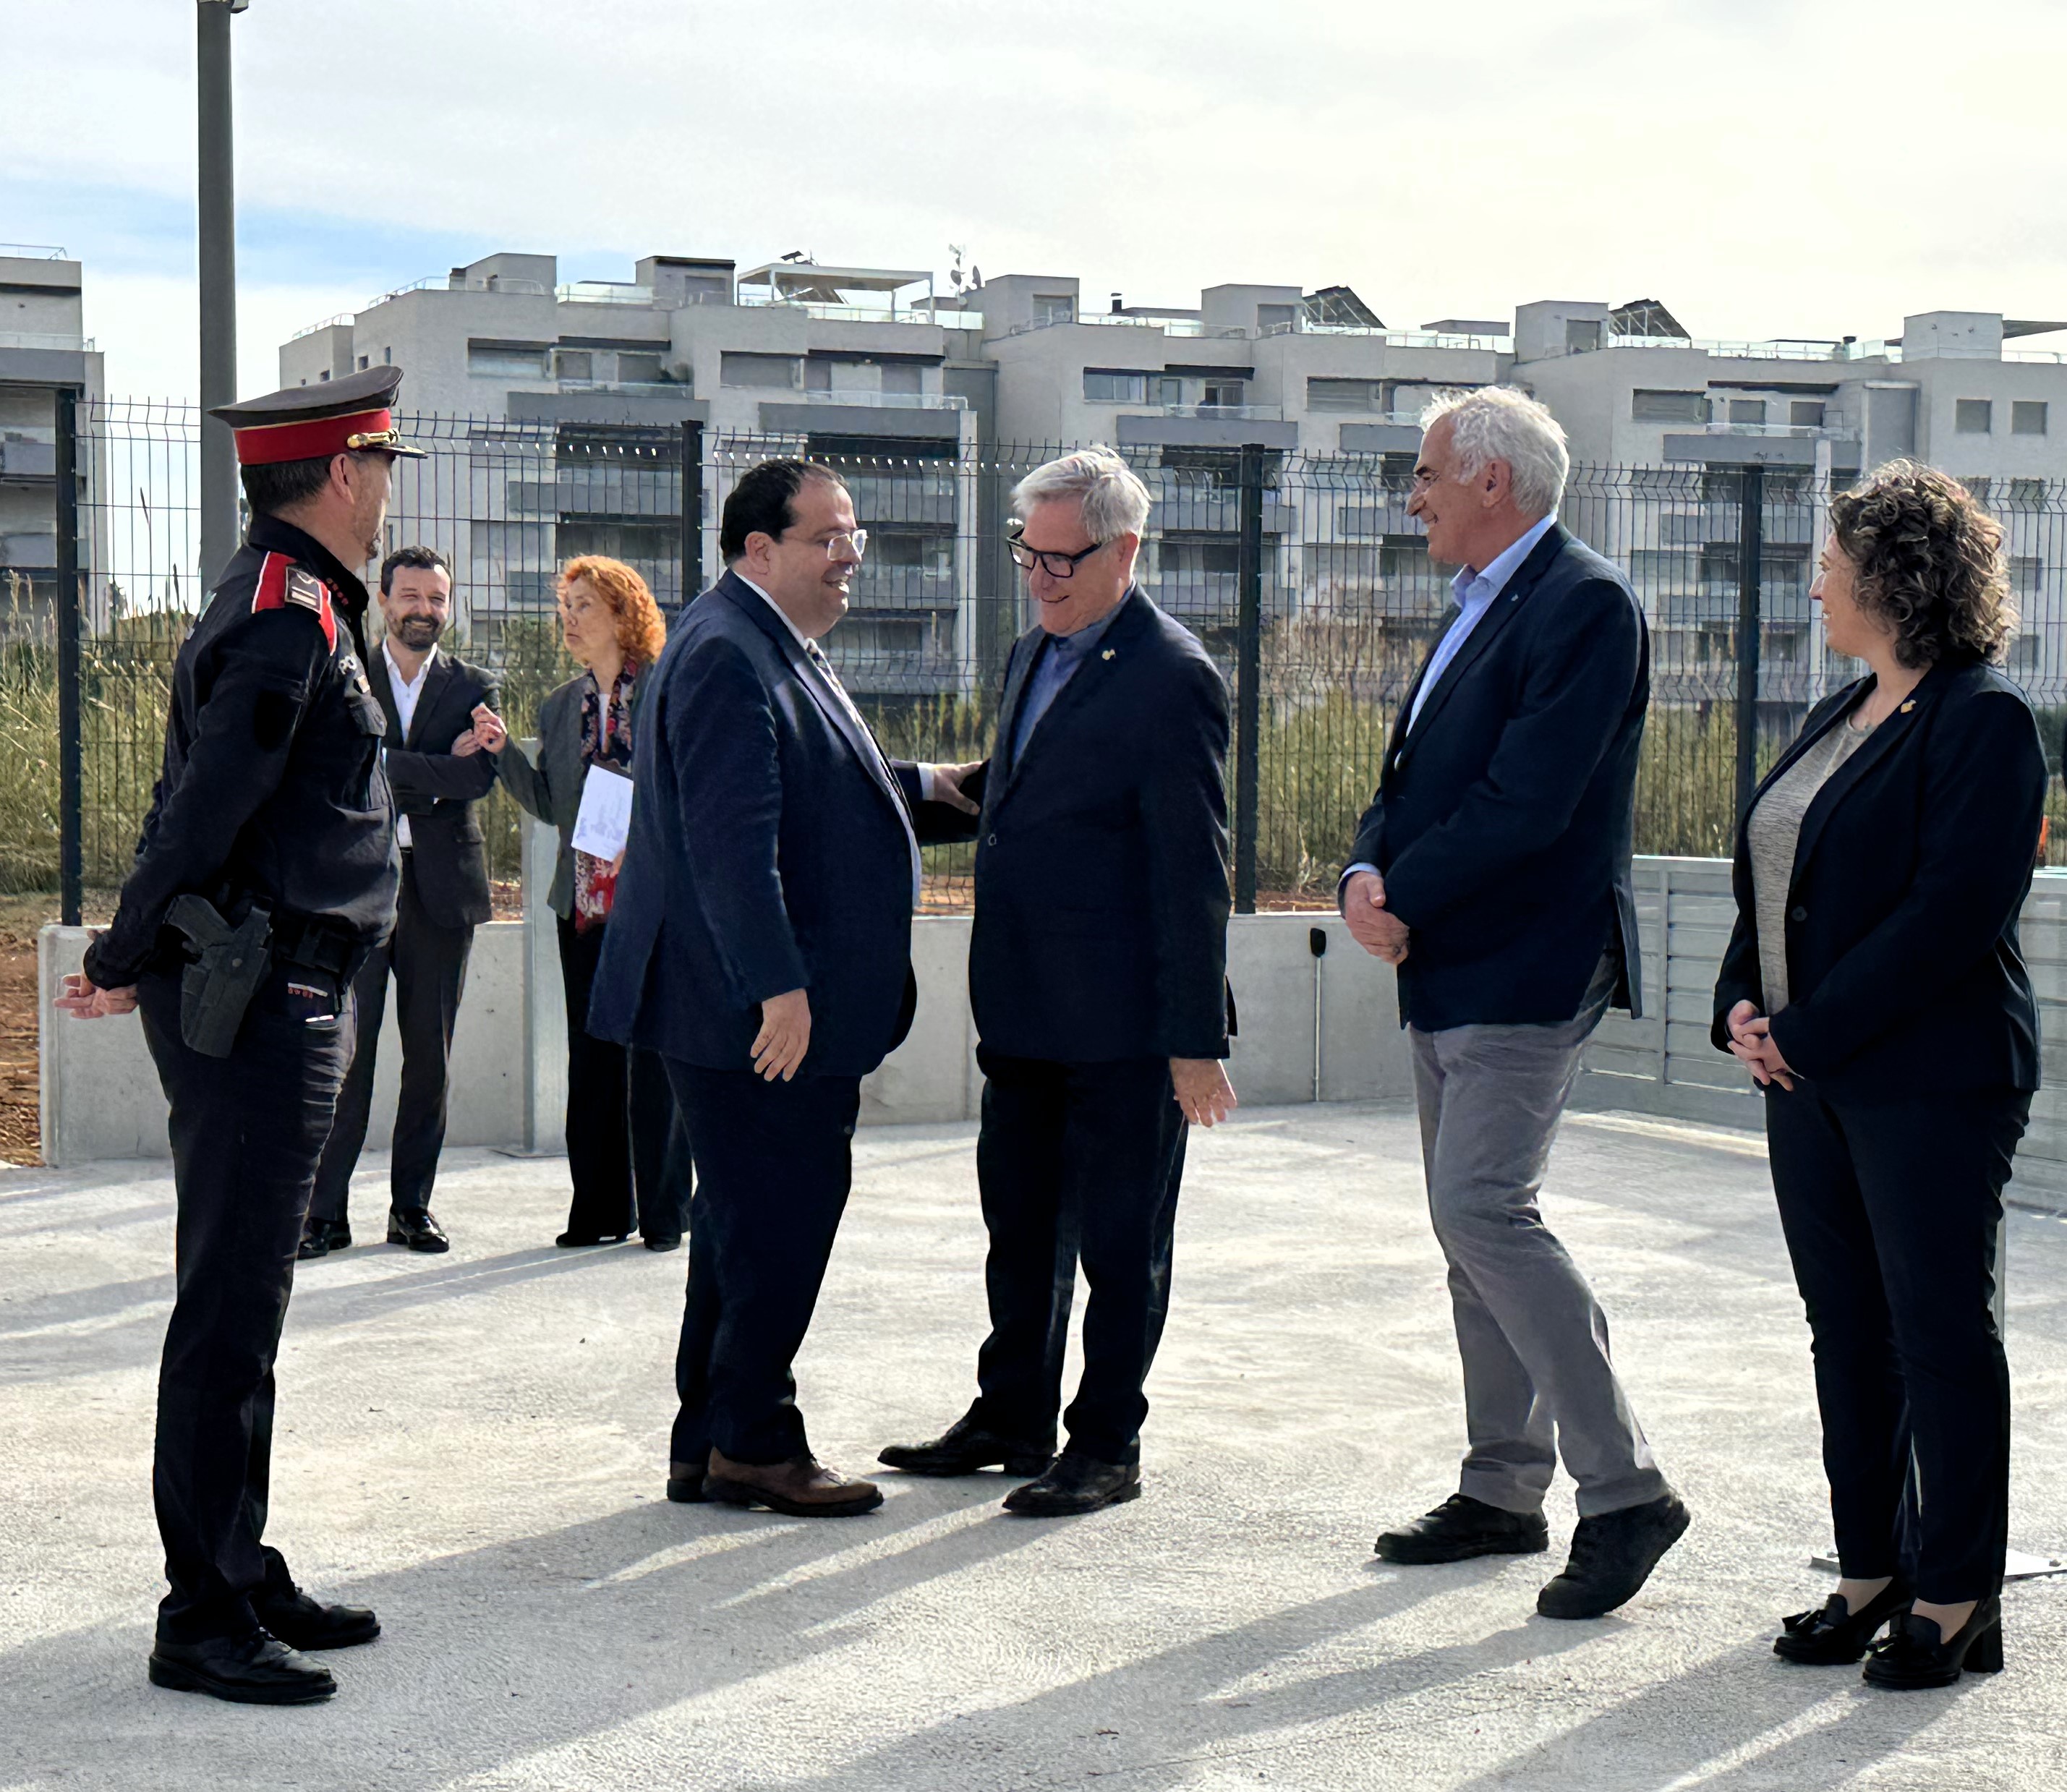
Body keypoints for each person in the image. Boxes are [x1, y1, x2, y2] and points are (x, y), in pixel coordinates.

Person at [55, 366, 418, 1705]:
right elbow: (200, 811)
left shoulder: (301, 602)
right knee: (228, 1303)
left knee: (249, 1299)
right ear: (338, 474)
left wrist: (129, 948)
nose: (387, 493)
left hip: (282, 987)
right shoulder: (285, 621)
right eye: (382, 468)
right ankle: (199, 1611)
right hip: (259, 996)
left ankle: (234, 1557)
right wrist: (120, 951)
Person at [1341, 387, 1688, 1620]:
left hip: (1525, 962)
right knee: (1465, 1227)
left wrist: (1402, 890)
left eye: (1428, 471)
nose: (1415, 494)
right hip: (1446, 958)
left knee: (1484, 1207)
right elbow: (1406, 774)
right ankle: (1500, 1487)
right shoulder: (1474, 604)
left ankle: (1626, 1488)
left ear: (1493, 479)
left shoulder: (1582, 602)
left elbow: (1527, 796)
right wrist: (1361, 872)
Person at [585, 458, 977, 1518]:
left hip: (741, 1004)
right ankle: (757, 1441)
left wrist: (931, 789)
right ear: (758, 549)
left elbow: (809, 781)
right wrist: (780, 990)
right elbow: (729, 844)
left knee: (739, 1224)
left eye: (854, 535)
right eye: (828, 537)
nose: (851, 554)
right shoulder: (726, 652)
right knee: (781, 1224)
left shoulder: (763, 642)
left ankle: (708, 1439)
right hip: (751, 1013)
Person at [1713, 463, 2044, 1690]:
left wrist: (1807, 1028)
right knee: (1845, 1329)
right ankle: (1870, 1572)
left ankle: (1956, 1593)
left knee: (1937, 1331)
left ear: (1893, 578)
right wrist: (1741, 1007)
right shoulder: (1838, 711)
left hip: (1929, 1079)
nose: (1812, 577)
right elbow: (1771, 875)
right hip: (1808, 1077)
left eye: (1829, 558)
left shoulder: (1983, 720)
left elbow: (1949, 915)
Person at [879, 448, 1235, 1518]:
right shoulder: (1033, 652)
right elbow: (1014, 792)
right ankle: (1011, 1413)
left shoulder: (1172, 677)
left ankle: (1105, 1440)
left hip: (1125, 1025)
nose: (1038, 576)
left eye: (1060, 559)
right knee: (1020, 1229)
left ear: (1124, 550)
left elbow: (1192, 869)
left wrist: (1192, 1039)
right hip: (1025, 1010)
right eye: (1024, 555)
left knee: (1122, 1244)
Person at [468, 557, 691, 1250]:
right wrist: (504, 753)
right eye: (563, 606)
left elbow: (689, 788)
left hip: (653, 905)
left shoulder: (666, 691)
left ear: (624, 613)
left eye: (583, 606)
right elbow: (550, 805)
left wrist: (644, 840)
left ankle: (662, 1214)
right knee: (593, 1057)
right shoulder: (560, 708)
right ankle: (598, 1212)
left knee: (652, 1058)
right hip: (584, 907)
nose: (568, 619)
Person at [302, 545, 498, 1260]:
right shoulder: (345, 673)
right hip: (361, 890)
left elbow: (477, 777)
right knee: (347, 1055)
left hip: (443, 894)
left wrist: (384, 764)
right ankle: (325, 1214)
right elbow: (336, 766)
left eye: (436, 599)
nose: (424, 610)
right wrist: (432, 771)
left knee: (430, 1061)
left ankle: (411, 1208)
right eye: (410, 597)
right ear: (384, 601)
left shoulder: (474, 685)